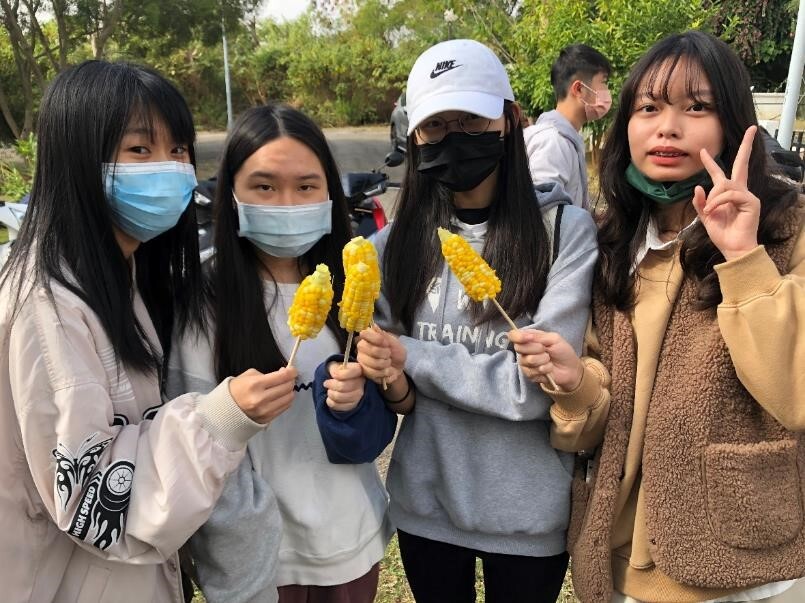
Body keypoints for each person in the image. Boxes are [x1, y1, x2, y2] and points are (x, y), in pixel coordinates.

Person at [517, 31, 805, 603]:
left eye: (696, 106)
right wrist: (575, 382)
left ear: (735, 122)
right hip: (621, 560)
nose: (666, 127)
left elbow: (794, 392)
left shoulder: (788, 229)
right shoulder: (612, 241)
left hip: (745, 569)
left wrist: (744, 259)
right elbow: (599, 398)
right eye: (648, 107)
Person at [0, 61, 299, 603]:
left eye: (179, 150)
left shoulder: (120, 271)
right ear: (75, 160)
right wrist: (221, 416)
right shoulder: (50, 307)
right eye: (140, 151)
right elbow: (91, 502)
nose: (168, 168)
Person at [354, 39, 609, 603]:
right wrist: (394, 378)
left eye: (471, 118)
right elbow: (397, 395)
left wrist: (412, 356)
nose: (454, 137)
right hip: (427, 508)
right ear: (415, 139)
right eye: (436, 126)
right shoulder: (387, 249)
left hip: (526, 516)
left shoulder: (563, 233)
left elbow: (533, 393)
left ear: (510, 119)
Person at [167, 103, 396, 603]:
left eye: (307, 187)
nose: (288, 203)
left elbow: (387, 407)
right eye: (265, 187)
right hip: (262, 560)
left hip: (350, 541)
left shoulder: (352, 285)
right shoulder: (203, 298)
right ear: (232, 194)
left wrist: (365, 390)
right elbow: (191, 438)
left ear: (330, 194)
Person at [524, 43, 612, 209]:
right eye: (603, 82)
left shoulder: (566, 139)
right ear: (579, 89)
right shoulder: (553, 142)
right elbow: (546, 217)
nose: (607, 91)